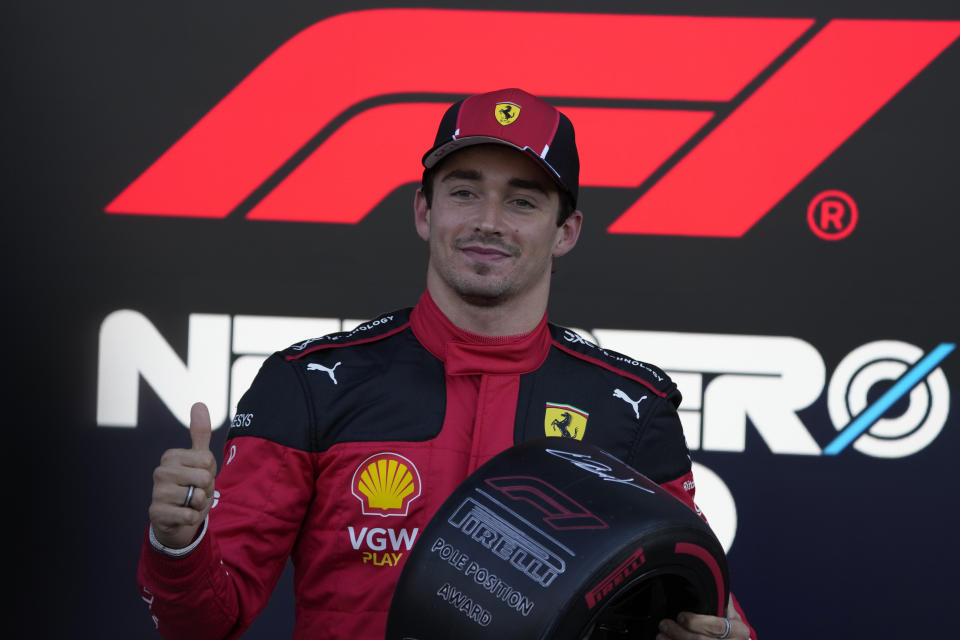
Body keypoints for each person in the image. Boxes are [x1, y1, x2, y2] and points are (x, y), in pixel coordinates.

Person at [139, 88, 755, 640]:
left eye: (522, 202)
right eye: (464, 192)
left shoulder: (632, 408)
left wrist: (723, 635)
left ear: (565, 231)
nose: (488, 221)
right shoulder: (310, 385)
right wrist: (178, 545)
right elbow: (205, 623)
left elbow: (698, 599)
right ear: (424, 211)